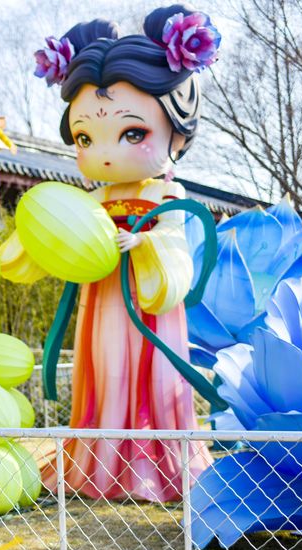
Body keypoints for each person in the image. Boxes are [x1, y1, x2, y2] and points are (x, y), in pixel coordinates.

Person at [36, 5, 218, 502]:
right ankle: (99, 462)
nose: (106, 151)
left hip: (149, 300)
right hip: (101, 300)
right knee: (105, 372)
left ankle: (155, 464)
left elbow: (178, 242)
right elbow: (56, 235)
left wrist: (146, 244)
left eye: (132, 132)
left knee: (154, 378)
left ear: (176, 133)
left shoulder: (166, 197)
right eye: (85, 137)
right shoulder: (89, 200)